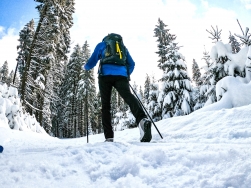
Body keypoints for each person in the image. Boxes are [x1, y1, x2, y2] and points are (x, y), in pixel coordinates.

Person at [83, 33, 152, 142]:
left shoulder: (102, 44)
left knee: (106, 105)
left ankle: (109, 136)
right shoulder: (123, 47)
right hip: (121, 76)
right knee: (128, 97)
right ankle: (142, 120)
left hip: (105, 76)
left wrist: (86, 67)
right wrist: (126, 73)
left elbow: (92, 62)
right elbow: (132, 63)